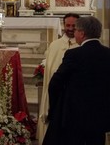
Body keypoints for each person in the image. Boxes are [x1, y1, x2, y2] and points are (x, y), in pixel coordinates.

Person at [43, 16, 110, 145]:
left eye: (76, 30)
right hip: (101, 113)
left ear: (82, 33)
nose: (74, 33)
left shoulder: (74, 54)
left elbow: (55, 83)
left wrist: (55, 108)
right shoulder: (107, 53)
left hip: (74, 114)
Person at [37, 13, 80, 144]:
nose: (71, 28)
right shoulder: (54, 45)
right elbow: (50, 73)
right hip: (55, 94)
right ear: (63, 25)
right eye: (68, 25)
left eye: (74, 25)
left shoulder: (82, 46)